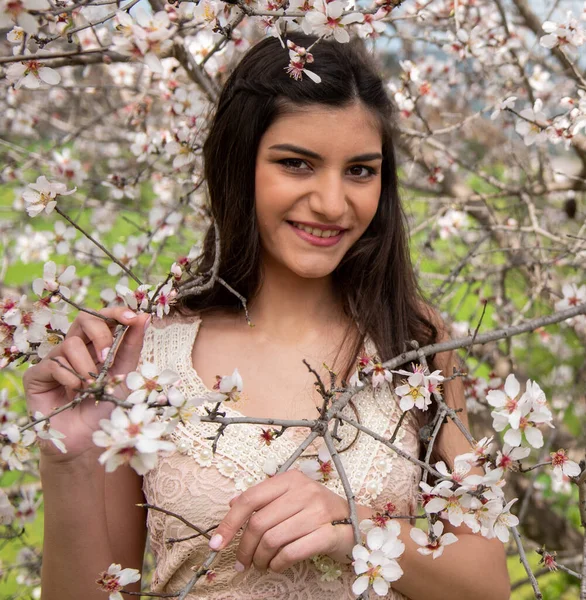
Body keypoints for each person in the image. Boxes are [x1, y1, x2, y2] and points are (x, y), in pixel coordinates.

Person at [24, 34, 510, 600]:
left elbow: (486, 585)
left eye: (359, 171)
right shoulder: (145, 356)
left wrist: (355, 528)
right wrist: (69, 462)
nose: (332, 203)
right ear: (238, 165)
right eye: (296, 164)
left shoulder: (412, 343)